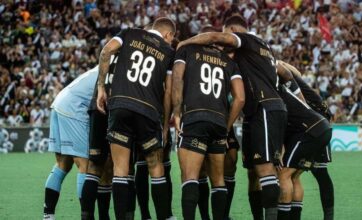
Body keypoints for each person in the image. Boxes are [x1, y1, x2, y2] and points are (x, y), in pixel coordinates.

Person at [178, 15, 290, 220]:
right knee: (253, 172)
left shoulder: (245, 39)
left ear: (231, 30)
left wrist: (184, 43)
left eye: (225, 34)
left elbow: (213, 37)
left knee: (265, 170)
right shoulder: (264, 49)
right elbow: (286, 75)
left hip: (263, 107)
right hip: (262, 111)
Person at [96, 17, 176, 220]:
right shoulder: (168, 52)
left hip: (121, 105)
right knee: (156, 167)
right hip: (148, 111)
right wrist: (165, 126)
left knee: (120, 169)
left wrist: (101, 88)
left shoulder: (129, 32)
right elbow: (168, 93)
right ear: (168, 35)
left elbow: (106, 51)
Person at [172, 25, 245, 220]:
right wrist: (226, 126)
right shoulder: (229, 63)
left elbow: (177, 78)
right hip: (219, 122)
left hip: (195, 117)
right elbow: (240, 98)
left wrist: (176, 111)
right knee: (218, 181)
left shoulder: (186, 50)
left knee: (190, 178)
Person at [276, 61, 333, 220]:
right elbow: (295, 73)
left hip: (313, 118)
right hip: (302, 121)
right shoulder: (283, 76)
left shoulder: (279, 75)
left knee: (318, 172)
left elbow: (293, 73)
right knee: (294, 174)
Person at [43, 66, 100, 220]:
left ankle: (48, 215)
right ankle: (87, 216)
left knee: (63, 165)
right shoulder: (115, 69)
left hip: (59, 103)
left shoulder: (100, 66)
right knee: (84, 164)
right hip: (74, 108)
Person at [81, 54, 118, 220]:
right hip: (115, 108)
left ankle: (96, 216)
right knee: (117, 167)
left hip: (97, 107)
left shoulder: (109, 56)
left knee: (97, 167)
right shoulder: (133, 53)